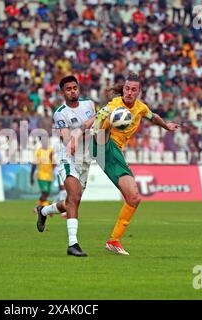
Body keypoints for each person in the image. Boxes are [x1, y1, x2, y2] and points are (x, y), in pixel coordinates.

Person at [90, 73, 180, 255]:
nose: (129, 92)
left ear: (138, 92)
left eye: (133, 90)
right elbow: (99, 119)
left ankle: (113, 240)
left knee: (133, 198)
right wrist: (97, 128)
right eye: (127, 89)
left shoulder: (140, 108)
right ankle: (113, 241)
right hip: (105, 145)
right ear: (123, 89)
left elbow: (153, 116)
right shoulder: (114, 105)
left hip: (113, 152)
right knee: (133, 198)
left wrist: (166, 126)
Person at [34, 76, 95, 257]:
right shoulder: (60, 113)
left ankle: (43, 211)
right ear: (63, 92)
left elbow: (97, 124)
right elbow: (69, 141)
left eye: (75, 88)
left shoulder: (89, 105)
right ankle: (72, 244)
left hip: (85, 161)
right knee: (74, 197)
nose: (72, 91)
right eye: (68, 89)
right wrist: (85, 129)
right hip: (68, 159)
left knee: (71, 202)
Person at [30, 138, 54, 207]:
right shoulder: (39, 152)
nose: (45, 142)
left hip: (49, 175)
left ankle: (39, 206)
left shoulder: (50, 151)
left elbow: (53, 161)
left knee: (47, 193)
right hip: (41, 175)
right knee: (45, 192)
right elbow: (34, 164)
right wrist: (31, 176)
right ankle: (45, 206)